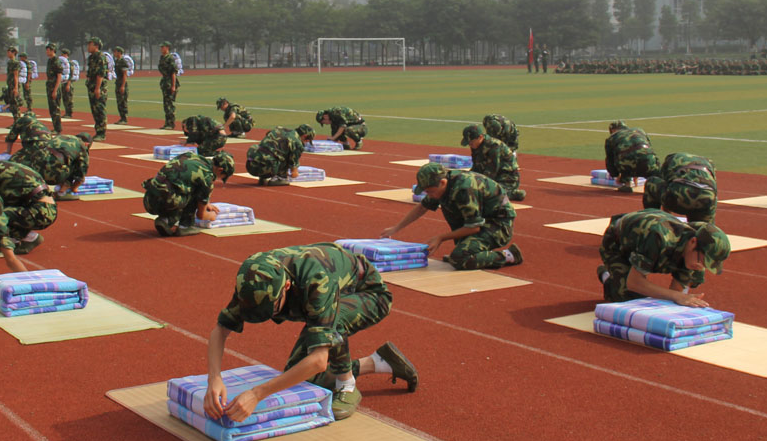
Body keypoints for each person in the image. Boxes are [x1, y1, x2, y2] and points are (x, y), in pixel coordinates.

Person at [204, 243, 419, 422]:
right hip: (330, 296)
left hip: (369, 294)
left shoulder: (316, 282)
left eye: (272, 309)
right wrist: (214, 379)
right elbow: (220, 330)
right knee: (299, 377)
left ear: (286, 286)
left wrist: (256, 394)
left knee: (333, 325)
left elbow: (318, 361)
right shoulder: (253, 279)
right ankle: (380, 362)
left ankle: (347, 385)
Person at [381, 162, 522, 269]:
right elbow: (422, 207)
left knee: (460, 259)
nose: (428, 194)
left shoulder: (464, 189)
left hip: (498, 225)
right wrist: (396, 228)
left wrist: (441, 238)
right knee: (449, 208)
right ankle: (468, 247)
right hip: (482, 220)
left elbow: (474, 228)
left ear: (442, 183)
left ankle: (508, 255)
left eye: (429, 191)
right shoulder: (441, 185)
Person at [597, 209, 730, 307]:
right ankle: (608, 277)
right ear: (693, 242)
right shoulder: (658, 238)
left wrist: (678, 299)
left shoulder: (694, 252)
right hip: (618, 243)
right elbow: (635, 283)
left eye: (706, 264)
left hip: (650, 243)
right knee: (630, 298)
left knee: (693, 281)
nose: (700, 266)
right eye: (701, 261)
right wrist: (677, 296)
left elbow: (677, 291)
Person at [141, 150, 234, 236]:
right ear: (220, 170)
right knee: (195, 194)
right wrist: (211, 216)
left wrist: (207, 203)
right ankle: (185, 226)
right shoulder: (207, 178)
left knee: (180, 191)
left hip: (149, 199)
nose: (219, 179)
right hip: (167, 201)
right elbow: (201, 215)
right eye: (222, 177)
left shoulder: (190, 155)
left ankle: (166, 220)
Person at [642, 152, 718, 222]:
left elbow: (665, 183)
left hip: (678, 198)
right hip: (706, 200)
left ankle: (652, 221)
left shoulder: (672, 160)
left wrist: (667, 215)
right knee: (703, 229)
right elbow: (713, 187)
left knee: (651, 182)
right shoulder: (709, 164)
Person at [463, 123, 525, 201]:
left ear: (480, 137)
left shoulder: (494, 146)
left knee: (487, 194)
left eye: (471, 142)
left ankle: (513, 193)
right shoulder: (476, 146)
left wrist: (478, 184)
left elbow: (491, 171)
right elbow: (476, 166)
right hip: (492, 175)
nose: (470, 145)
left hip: (507, 178)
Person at [245, 124, 315, 185]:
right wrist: (292, 173)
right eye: (307, 140)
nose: (306, 142)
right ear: (305, 136)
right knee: (285, 158)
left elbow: (268, 136)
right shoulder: (297, 143)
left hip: (251, 164)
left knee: (270, 150)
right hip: (265, 168)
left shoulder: (279, 128)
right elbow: (294, 169)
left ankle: (263, 177)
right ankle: (279, 178)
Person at [604, 120, 659, 193]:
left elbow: (610, 160)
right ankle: (655, 184)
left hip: (627, 167)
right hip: (647, 163)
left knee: (622, 157)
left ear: (613, 130)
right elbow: (649, 150)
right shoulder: (639, 131)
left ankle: (627, 184)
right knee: (650, 160)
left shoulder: (611, 138)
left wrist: (615, 175)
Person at [84, 38, 109, 139]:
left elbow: (100, 74)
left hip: (99, 87)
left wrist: (98, 88)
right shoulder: (91, 58)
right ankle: (98, 131)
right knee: (94, 110)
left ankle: (102, 133)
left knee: (99, 109)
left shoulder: (100, 57)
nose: (88, 47)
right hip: (91, 86)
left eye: (90, 45)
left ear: (96, 46)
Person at [158, 42, 180, 129]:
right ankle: (167, 123)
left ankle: (171, 123)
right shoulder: (162, 57)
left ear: (167, 48)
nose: (161, 49)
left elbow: (173, 72)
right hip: (165, 82)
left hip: (170, 82)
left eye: (162, 47)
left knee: (169, 104)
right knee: (166, 104)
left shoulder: (170, 58)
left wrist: (173, 86)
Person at [44, 43, 64, 134]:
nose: (47, 52)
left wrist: (55, 90)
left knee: (55, 109)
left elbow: (59, 76)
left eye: (48, 50)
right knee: (52, 109)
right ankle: (55, 127)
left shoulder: (56, 61)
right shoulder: (49, 61)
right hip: (49, 87)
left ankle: (58, 128)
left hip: (54, 88)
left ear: (53, 50)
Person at [111, 46, 131, 124]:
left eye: (115, 51)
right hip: (118, 83)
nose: (114, 53)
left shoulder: (123, 62)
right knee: (119, 101)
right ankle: (121, 117)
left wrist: (123, 86)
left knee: (123, 101)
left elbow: (125, 74)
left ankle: (124, 118)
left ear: (119, 52)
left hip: (122, 83)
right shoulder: (117, 61)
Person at [2, 45, 23, 117]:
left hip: (14, 85)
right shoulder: (10, 62)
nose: (8, 54)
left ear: (13, 53)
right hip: (10, 85)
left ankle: (18, 121)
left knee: (15, 104)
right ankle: (15, 121)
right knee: (11, 103)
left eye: (9, 52)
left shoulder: (15, 63)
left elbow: (16, 75)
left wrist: (16, 87)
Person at [59, 47, 77, 117]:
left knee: (69, 98)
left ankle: (69, 113)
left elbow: (71, 75)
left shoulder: (69, 63)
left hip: (68, 83)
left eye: (63, 54)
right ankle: (67, 112)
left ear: (66, 54)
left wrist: (68, 85)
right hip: (63, 82)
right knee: (65, 98)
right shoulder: (63, 63)